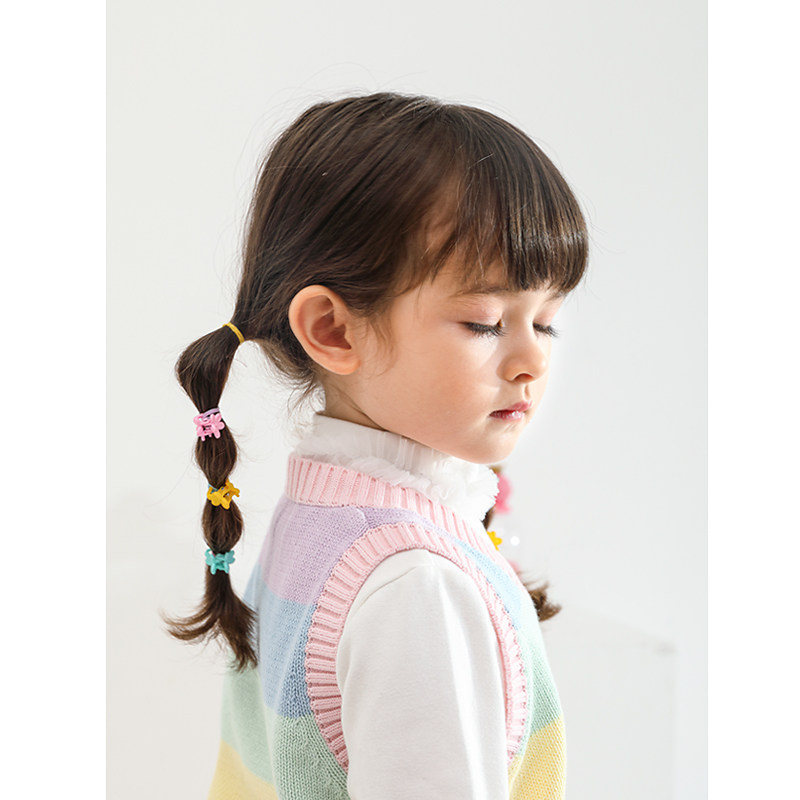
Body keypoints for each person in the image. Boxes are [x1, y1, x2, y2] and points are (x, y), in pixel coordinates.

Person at [168, 92, 588, 800]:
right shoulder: (415, 587)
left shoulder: (320, 523)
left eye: (546, 321)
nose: (532, 360)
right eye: (485, 322)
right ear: (333, 330)